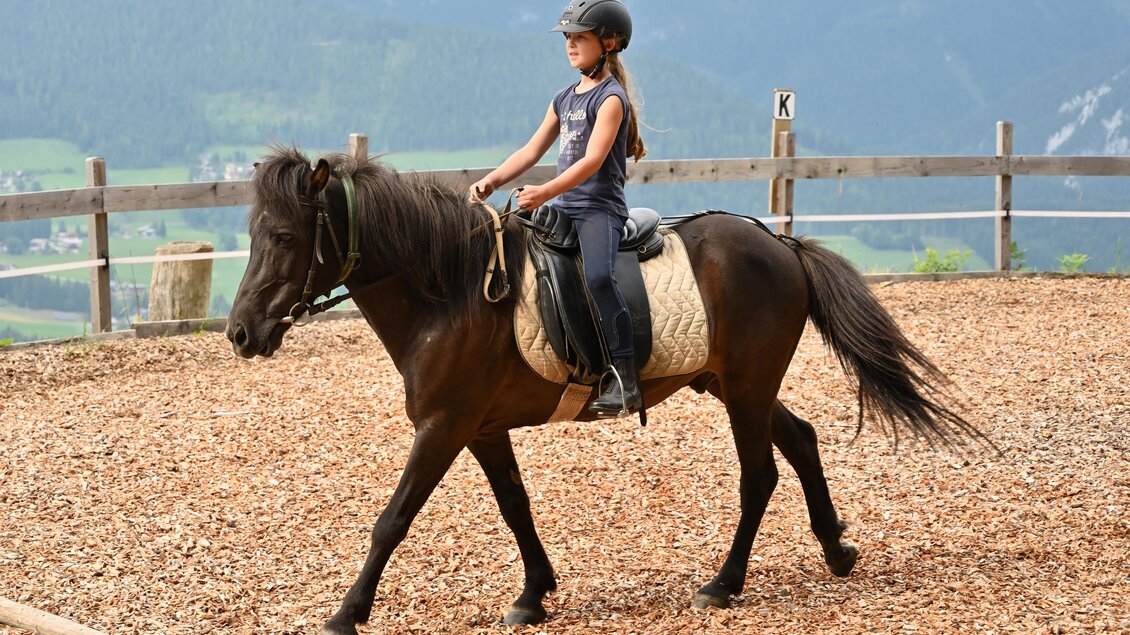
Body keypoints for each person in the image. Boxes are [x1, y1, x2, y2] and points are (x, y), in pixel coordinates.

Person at [470, 0, 647, 417]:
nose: (570, 45)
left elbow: (593, 161)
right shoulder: (563, 98)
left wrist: (545, 192)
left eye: (580, 38)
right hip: (564, 205)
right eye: (568, 37)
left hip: (598, 209)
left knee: (599, 278)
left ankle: (626, 380)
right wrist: (492, 180)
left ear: (609, 43)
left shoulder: (611, 99)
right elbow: (530, 151)